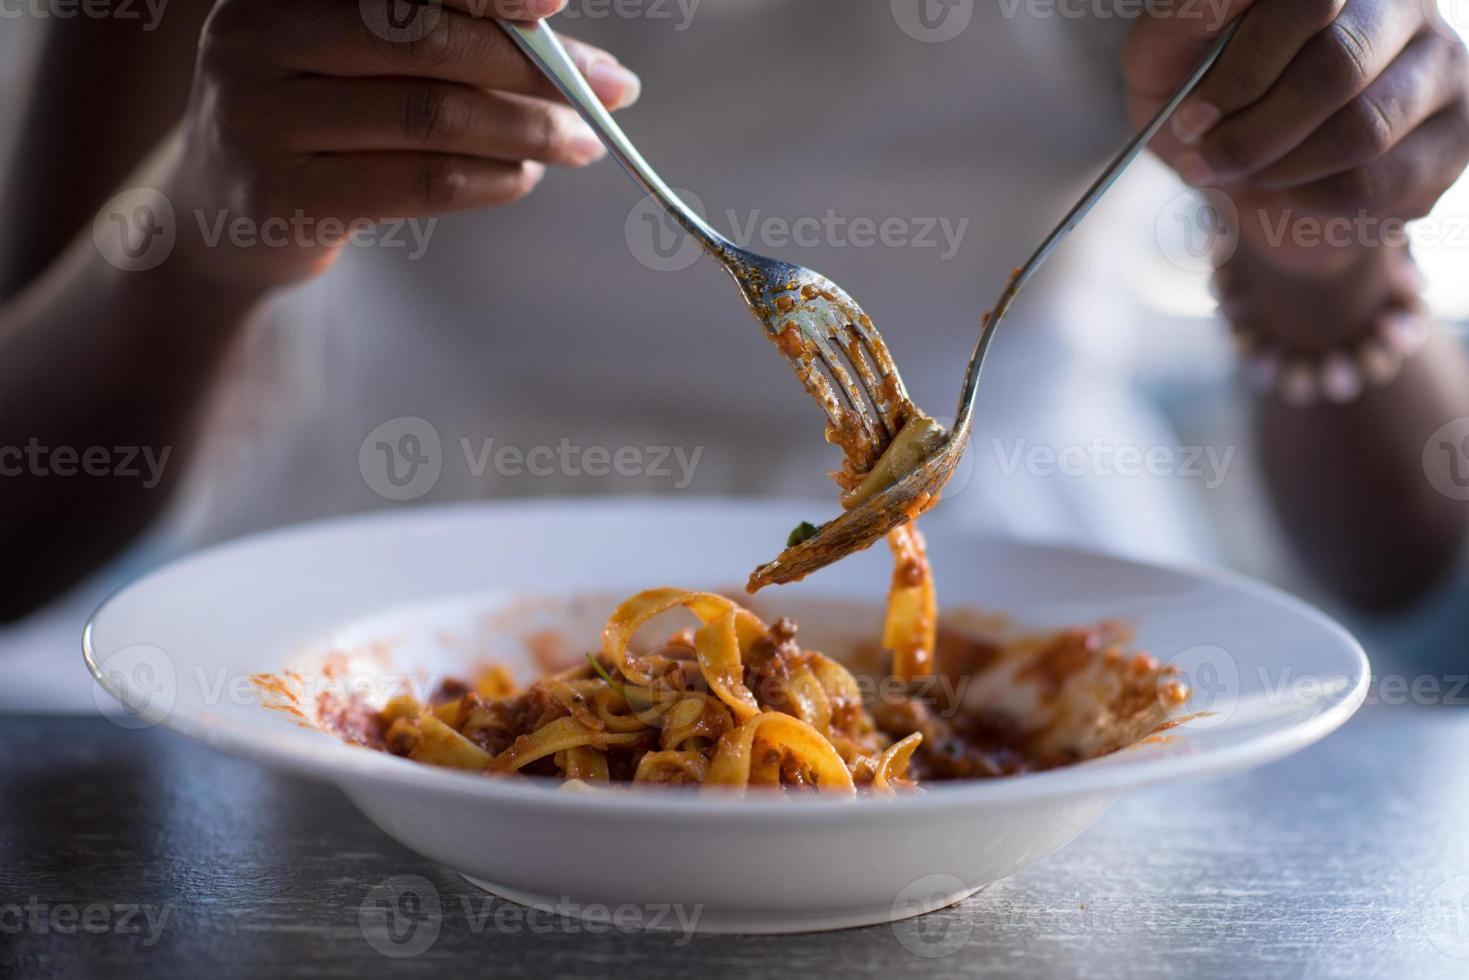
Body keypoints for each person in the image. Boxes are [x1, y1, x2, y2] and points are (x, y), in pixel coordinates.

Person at [1, 0, 1467, 672]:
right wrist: (204, 223)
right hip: (379, 610)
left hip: (1033, 611)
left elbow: (1405, 559)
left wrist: (1317, 246)